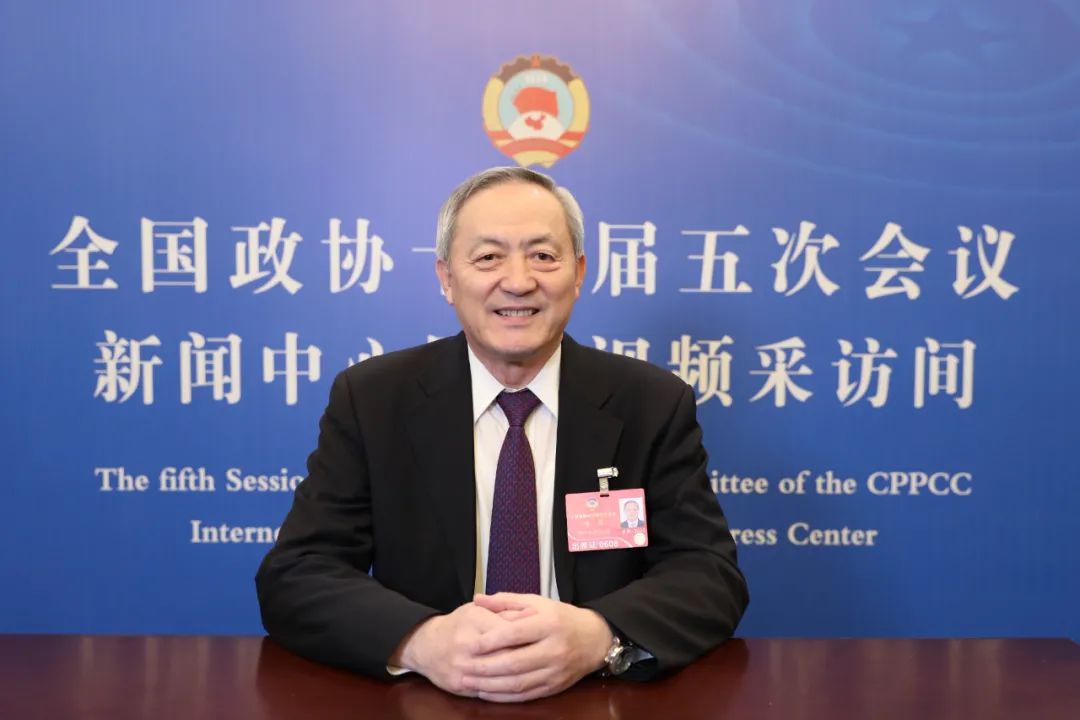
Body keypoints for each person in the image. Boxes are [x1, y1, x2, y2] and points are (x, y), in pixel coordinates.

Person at [255, 166, 748, 703]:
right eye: (488, 257)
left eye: (544, 255)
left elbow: (709, 574)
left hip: (594, 697)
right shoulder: (374, 399)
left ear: (579, 273)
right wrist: (421, 641)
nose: (518, 281)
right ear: (446, 277)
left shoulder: (650, 403)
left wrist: (599, 636)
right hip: (429, 699)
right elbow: (297, 573)